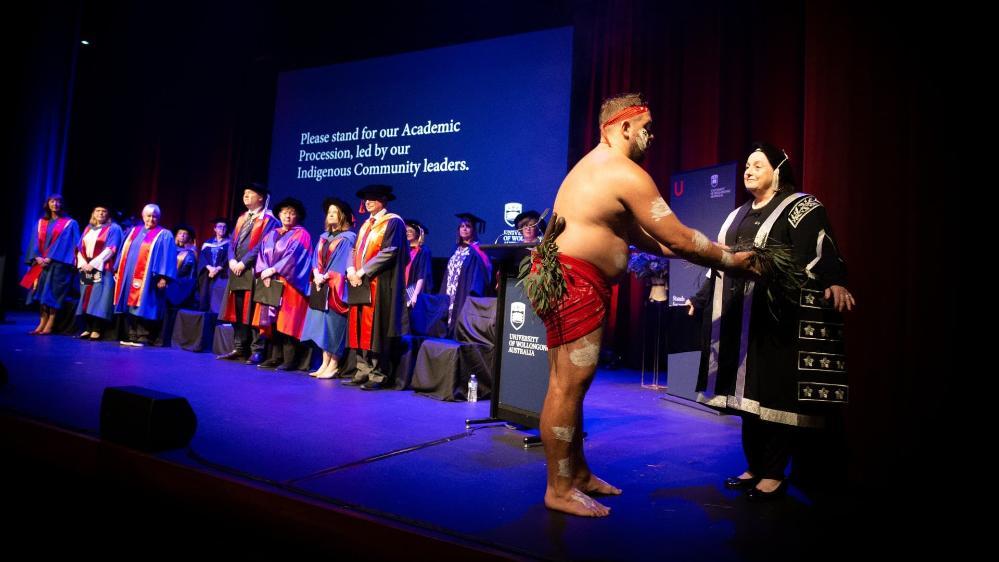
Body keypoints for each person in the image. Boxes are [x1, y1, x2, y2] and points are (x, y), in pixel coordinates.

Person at [527, 93, 756, 517]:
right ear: (622, 126)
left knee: (570, 386)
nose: (651, 135)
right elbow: (680, 238)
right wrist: (731, 260)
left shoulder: (597, 167)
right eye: (646, 127)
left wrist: (698, 249)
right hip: (574, 282)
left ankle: (575, 474)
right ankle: (558, 488)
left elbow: (648, 237)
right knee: (567, 386)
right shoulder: (622, 171)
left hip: (571, 279)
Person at [687, 142, 854, 501]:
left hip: (778, 318)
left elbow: (820, 248)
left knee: (773, 397)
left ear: (777, 171)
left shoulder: (801, 207)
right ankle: (755, 465)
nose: (748, 171)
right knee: (745, 399)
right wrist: (699, 298)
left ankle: (775, 473)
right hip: (741, 321)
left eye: (757, 165)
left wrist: (835, 279)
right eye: (747, 165)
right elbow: (722, 261)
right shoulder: (736, 216)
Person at [344, 184, 408, 391]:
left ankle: (377, 374)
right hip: (359, 281)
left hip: (379, 283)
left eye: (373, 198)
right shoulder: (365, 225)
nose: (368, 201)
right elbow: (354, 249)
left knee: (375, 329)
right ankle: (361, 370)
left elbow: (390, 251)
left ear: (384, 200)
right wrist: (350, 269)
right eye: (366, 198)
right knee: (358, 325)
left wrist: (363, 272)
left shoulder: (393, 222)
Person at [217, 183, 281, 364]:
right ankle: (239, 348)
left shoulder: (269, 220)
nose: (245, 196)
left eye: (250, 193)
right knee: (236, 310)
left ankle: (257, 350)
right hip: (236, 270)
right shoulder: (242, 218)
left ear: (261, 197)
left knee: (253, 311)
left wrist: (243, 263)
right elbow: (232, 243)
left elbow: (262, 245)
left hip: (253, 271)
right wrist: (231, 260)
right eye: (244, 193)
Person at [252, 197, 313, 371]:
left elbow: (295, 257)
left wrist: (273, 270)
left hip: (289, 285)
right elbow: (262, 254)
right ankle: (274, 357)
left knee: (287, 322)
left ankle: (290, 359)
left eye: (292, 213)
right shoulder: (272, 234)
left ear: (298, 216)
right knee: (271, 321)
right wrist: (263, 270)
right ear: (279, 214)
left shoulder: (302, 234)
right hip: (270, 282)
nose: (287, 215)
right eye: (284, 212)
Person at [301, 198, 356, 379]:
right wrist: (316, 273)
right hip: (321, 285)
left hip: (336, 288)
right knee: (322, 326)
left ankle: (334, 364)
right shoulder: (323, 237)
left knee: (334, 326)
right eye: (329, 212)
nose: (330, 214)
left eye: (335, 211)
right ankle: (324, 363)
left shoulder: (348, 238)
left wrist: (327, 276)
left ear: (343, 216)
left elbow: (343, 263)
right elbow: (314, 260)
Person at [112, 204, 177, 346]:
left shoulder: (164, 235)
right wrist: (117, 270)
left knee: (145, 304)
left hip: (149, 278)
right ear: (143, 216)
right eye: (148, 215)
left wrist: (163, 277)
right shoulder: (133, 231)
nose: (151, 219)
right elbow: (122, 252)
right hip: (128, 275)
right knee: (128, 303)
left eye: (154, 216)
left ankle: (143, 336)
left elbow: (167, 257)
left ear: (158, 218)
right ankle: (131, 334)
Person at [22, 193, 81, 335]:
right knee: (40, 292)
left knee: (54, 294)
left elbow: (72, 244)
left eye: (58, 202)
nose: (55, 204)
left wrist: (51, 257)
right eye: (52, 201)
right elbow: (34, 241)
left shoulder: (70, 223)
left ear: (62, 204)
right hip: (40, 264)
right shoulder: (41, 222)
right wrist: (37, 257)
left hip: (59, 265)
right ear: (48, 204)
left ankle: (51, 322)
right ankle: (42, 321)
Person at [75, 204, 123, 340]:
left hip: (103, 268)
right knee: (86, 297)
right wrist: (83, 263)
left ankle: (97, 329)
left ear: (108, 214)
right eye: (98, 211)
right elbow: (79, 247)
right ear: (93, 213)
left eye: (104, 211)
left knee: (99, 299)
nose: (101, 213)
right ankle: (88, 328)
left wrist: (93, 264)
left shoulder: (114, 228)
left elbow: (112, 248)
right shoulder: (88, 228)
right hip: (87, 267)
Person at [440, 213, 491, 336]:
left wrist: (473, 292)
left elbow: (482, 272)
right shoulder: (456, 249)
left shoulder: (477, 250)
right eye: (461, 226)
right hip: (450, 291)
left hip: (464, 291)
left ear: (473, 230)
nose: (464, 228)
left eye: (468, 226)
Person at [195, 218, 230, 312]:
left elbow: (228, 258)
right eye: (219, 227)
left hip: (222, 275)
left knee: (217, 298)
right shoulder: (208, 243)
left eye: (224, 227)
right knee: (205, 294)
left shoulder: (229, 244)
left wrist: (217, 269)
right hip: (207, 274)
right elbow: (203, 257)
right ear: (215, 229)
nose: (222, 229)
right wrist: (210, 268)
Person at [165, 224, 198, 309]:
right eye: (180, 233)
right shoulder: (169, 248)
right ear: (176, 235)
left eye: (185, 234)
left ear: (188, 237)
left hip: (182, 284)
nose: (182, 235)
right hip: (167, 280)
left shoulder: (191, 252)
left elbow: (192, 271)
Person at [404, 219, 432, 308]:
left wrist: (415, 294)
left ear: (418, 233)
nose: (407, 233)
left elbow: (422, 274)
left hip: (416, 290)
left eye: (410, 231)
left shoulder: (424, 251)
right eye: (406, 231)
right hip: (404, 289)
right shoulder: (406, 250)